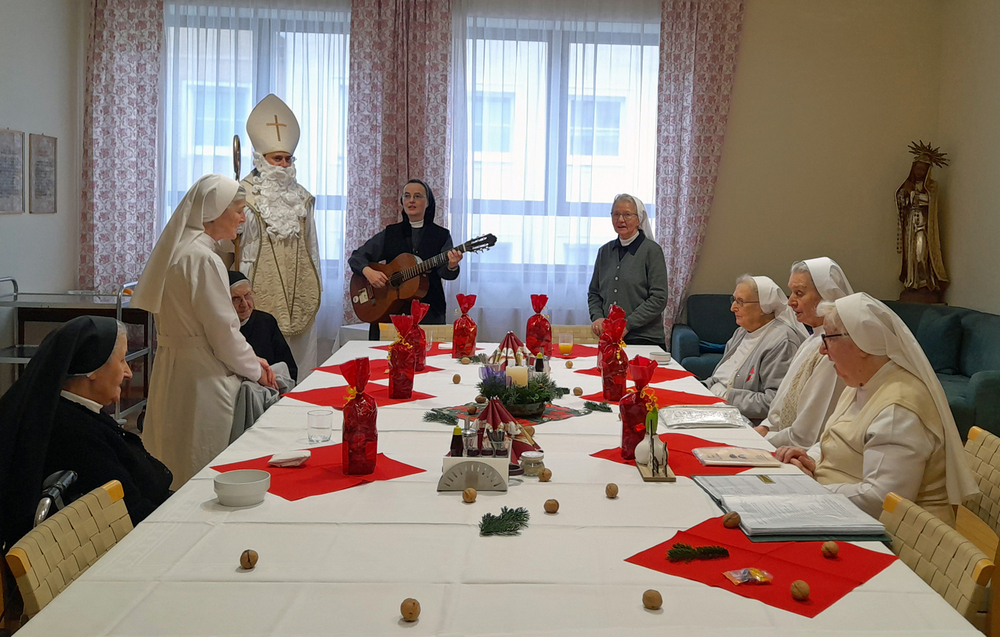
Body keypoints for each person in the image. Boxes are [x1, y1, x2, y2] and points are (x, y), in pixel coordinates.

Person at [775, 294, 977, 524]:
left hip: (896, 540)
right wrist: (809, 459)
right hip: (839, 511)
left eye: (828, 338)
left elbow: (882, 501)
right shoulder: (863, 382)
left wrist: (807, 491)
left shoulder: (898, 408)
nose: (822, 350)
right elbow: (833, 441)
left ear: (862, 343)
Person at [133, 175, 277, 488]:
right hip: (202, 376)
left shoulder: (179, 252)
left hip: (172, 369)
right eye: (237, 209)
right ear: (214, 212)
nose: (242, 217)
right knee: (201, 466)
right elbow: (223, 334)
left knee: (172, 456)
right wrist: (256, 368)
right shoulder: (203, 259)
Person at [0, 317, 172, 553]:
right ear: (93, 369)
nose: (128, 372)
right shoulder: (74, 433)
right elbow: (130, 510)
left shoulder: (75, 411)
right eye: (122, 360)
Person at [232, 94, 321, 380]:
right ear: (261, 158)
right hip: (255, 286)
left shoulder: (303, 198)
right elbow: (226, 245)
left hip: (298, 287)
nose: (283, 165)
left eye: (287, 159)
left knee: (299, 363)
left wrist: (315, 282)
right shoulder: (241, 195)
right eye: (277, 158)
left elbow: (312, 247)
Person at [755, 258, 854, 447]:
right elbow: (781, 405)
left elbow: (808, 435)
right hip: (777, 440)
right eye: (791, 292)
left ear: (827, 296)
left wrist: (758, 441)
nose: (790, 302)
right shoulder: (811, 339)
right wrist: (765, 428)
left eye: (799, 293)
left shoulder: (834, 349)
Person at [349, 179, 462, 339]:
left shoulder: (441, 235)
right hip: (388, 311)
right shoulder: (390, 233)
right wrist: (369, 272)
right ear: (402, 201)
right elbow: (357, 257)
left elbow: (446, 273)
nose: (411, 200)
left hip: (428, 313)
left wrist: (452, 265)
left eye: (417, 196)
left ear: (428, 202)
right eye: (407, 196)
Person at [704, 275, 806, 421]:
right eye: (734, 300)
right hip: (718, 407)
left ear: (763, 307)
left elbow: (774, 402)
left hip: (745, 422)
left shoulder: (782, 341)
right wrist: (700, 389)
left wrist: (725, 396)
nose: (732, 308)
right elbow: (720, 377)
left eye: (741, 302)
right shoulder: (741, 331)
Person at [588, 193, 668, 347]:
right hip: (610, 339)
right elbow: (594, 293)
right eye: (616, 214)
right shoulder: (604, 251)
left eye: (627, 214)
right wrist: (597, 317)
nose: (620, 220)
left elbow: (659, 298)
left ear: (639, 219)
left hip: (645, 339)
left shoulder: (652, 251)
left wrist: (627, 324)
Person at [895, 141, 949, 297]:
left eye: (922, 169)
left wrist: (915, 195)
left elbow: (931, 202)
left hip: (923, 225)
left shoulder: (932, 186)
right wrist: (905, 196)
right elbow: (901, 202)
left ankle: (926, 283)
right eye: (917, 168)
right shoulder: (908, 184)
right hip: (911, 224)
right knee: (911, 256)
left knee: (921, 254)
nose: (919, 172)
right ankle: (913, 283)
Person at [229, 270, 298, 381]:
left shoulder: (266, 321)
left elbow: (289, 367)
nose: (245, 304)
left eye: (247, 296)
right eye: (236, 299)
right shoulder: (222, 330)